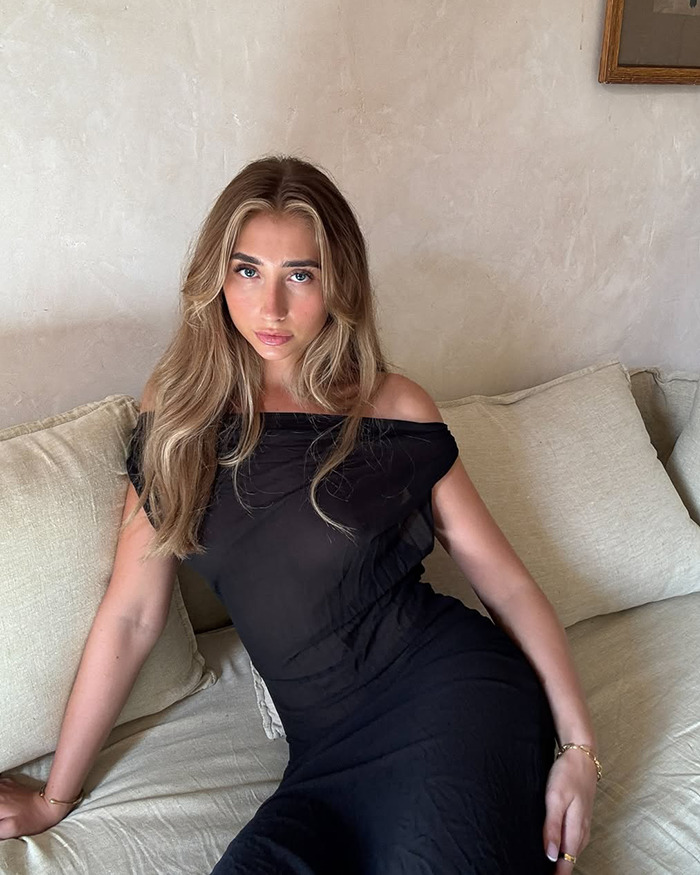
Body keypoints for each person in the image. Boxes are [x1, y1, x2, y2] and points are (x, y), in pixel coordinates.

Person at [0, 155, 599, 873]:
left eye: (301, 275)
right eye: (248, 271)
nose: (272, 308)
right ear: (217, 277)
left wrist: (579, 747)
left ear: (338, 282)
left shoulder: (393, 408)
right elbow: (131, 615)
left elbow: (506, 584)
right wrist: (55, 797)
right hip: (321, 753)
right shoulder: (180, 413)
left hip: (451, 697)